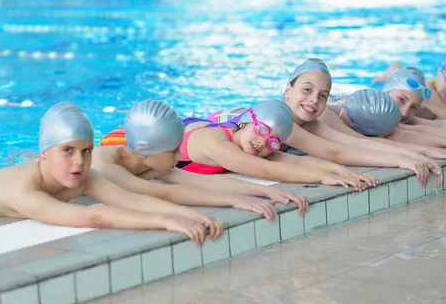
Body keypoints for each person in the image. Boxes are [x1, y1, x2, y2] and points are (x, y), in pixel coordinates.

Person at [0, 102, 222, 246]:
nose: (79, 162)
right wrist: (168, 221)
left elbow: (130, 199)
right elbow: (95, 217)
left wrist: (191, 215)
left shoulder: (81, 176)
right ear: (44, 153)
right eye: (68, 151)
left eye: (86, 151)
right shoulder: (25, 193)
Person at [209, 59, 442, 187]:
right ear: (287, 90)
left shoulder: (316, 117)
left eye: (323, 95)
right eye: (307, 90)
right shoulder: (279, 122)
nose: (314, 99)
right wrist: (403, 160)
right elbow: (336, 152)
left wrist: (415, 157)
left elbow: (355, 142)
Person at [93, 99, 309, 220]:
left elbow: (207, 182)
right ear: (145, 151)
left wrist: (269, 192)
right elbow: (164, 193)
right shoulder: (106, 166)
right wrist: (232, 201)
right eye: (173, 152)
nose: (179, 157)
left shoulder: (148, 159)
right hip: (114, 140)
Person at [180, 99, 372, 190]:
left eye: (273, 142)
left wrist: (342, 171)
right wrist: (322, 177)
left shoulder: (252, 142)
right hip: (184, 129)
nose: (263, 141)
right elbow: (265, 170)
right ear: (245, 122)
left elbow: (294, 161)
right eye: (262, 130)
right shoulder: (215, 143)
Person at [319, 88, 446, 160]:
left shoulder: (363, 107)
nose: (405, 113)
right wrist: (421, 151)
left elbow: (401, 132)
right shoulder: (324, 114)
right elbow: (363, 142)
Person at [373, 60, 446, 122]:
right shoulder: (429, 93)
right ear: (439, 71)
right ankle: (392, 72)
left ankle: (396, 70)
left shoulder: (440, 89)